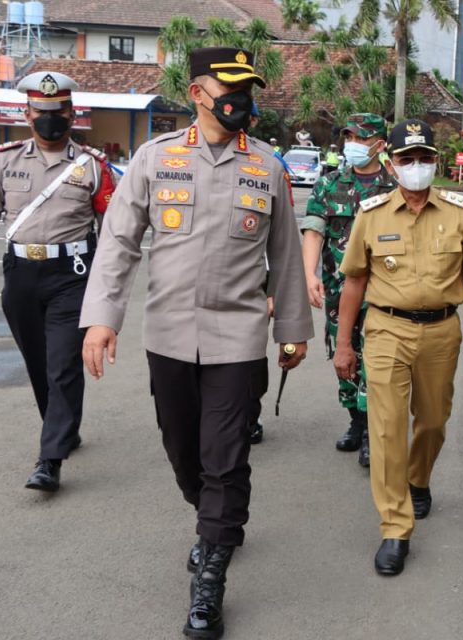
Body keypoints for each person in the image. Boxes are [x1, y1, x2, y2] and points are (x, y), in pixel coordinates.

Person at [79, 47, 312, 639]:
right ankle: (208, 516)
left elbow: (284, 259)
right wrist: (103, 317)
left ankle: (211, 573)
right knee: (185, 452)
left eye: (249, 87)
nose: (242, 98)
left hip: (237, 338)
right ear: (199, 92)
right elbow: (119, 242)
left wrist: (291, 332)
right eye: (230, 85)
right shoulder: (156, 160)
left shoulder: (266, 166)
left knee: (226, 458)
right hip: (170, 334)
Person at [333, 119, 463, 576]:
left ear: (436, 162)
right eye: (407, 159)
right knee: (385, 427)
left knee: (434, 420)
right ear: (392, 162)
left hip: (442, 331)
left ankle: (419, 478)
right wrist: (343, 344)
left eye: (425, 158)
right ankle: (394, 526)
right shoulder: (372, 213)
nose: (417, 166)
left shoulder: (459, 212)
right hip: (386, 330)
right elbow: (354, 282)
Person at [0, 71, 115, 492]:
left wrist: (108, 290)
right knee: (39, 364)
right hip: (20, 276)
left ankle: (50, 459)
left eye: (57, 112)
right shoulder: (5, 160)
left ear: (71, 114)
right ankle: (64, 429)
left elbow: (114, 230)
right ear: (27, 113)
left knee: (62, 364)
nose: (49, 119)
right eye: (41, 112)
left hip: (71, 277)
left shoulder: (92, 167)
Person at [300, 113, 397, 466]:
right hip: (338, 289)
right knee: (345, 354)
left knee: (376, 358)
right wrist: (309, 274)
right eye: (348, 137)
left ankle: (373, 429)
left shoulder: (394, 186)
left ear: (379, 145)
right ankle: (355, 422)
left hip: (383, 291)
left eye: (360, 137)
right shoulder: (330, 184)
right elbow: (314, 228)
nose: (351, 144)